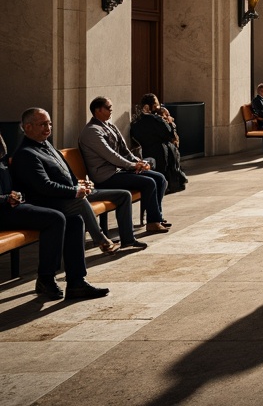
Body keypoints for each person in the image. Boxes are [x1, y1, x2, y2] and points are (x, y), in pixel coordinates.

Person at [5, 122, 109, 300]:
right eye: (42, 124)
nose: (48, 127)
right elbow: (42, 186)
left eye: (50, 123)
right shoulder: (26, 153)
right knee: (60, 216)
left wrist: (78, 184)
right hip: (36, 203)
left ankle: (76, 282)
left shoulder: (47, 145)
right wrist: (74, 191)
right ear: (27, 127)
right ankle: (46, 277)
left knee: (75, 220)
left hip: (44, 200)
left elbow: (65, 173)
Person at [79, 97, 172, 234]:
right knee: (149, 182)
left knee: (160, 178)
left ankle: (156, 216)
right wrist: (133, 166)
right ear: (98, 110)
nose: (111, 110)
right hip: (106, 177)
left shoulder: (109, 125)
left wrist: (139, 162)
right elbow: (111, 155)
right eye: (108, 108)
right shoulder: (92, 131)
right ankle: (153, 222)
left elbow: (124, 151)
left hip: (119, 171)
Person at [131, 94, 188, 193]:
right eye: (156, 105)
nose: (158, 108)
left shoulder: (136, 123)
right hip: (161, 153)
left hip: (148, 152)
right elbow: (170, 133)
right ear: (147, 107)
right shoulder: (155, 120)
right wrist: (169, 121)